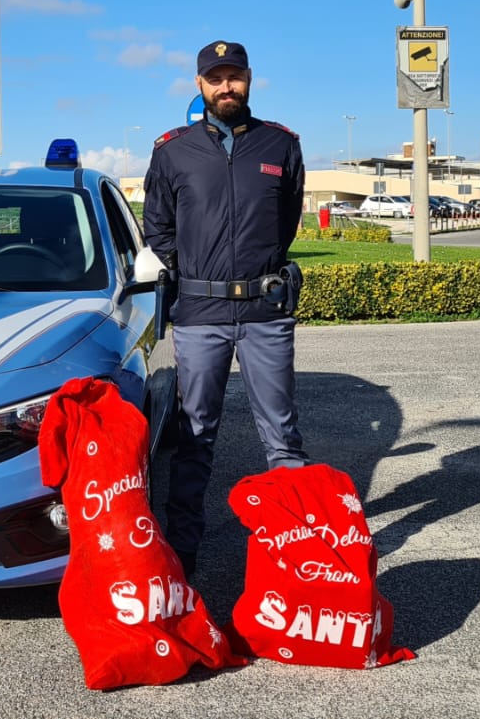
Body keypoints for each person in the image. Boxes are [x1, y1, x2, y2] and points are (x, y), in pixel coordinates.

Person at [141, 40, 306, 576]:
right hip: (200, 315)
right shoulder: (171, 151)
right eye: (215, 78)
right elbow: (158, 228)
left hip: (265, 312)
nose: (225, 86)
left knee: (281, 437)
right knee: (194, 438)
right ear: (199, 85)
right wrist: (196, 270)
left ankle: (296, 551)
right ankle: (182, 555)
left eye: (234, 76)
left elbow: (285, 224)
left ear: (250, 79)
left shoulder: (280, 146)